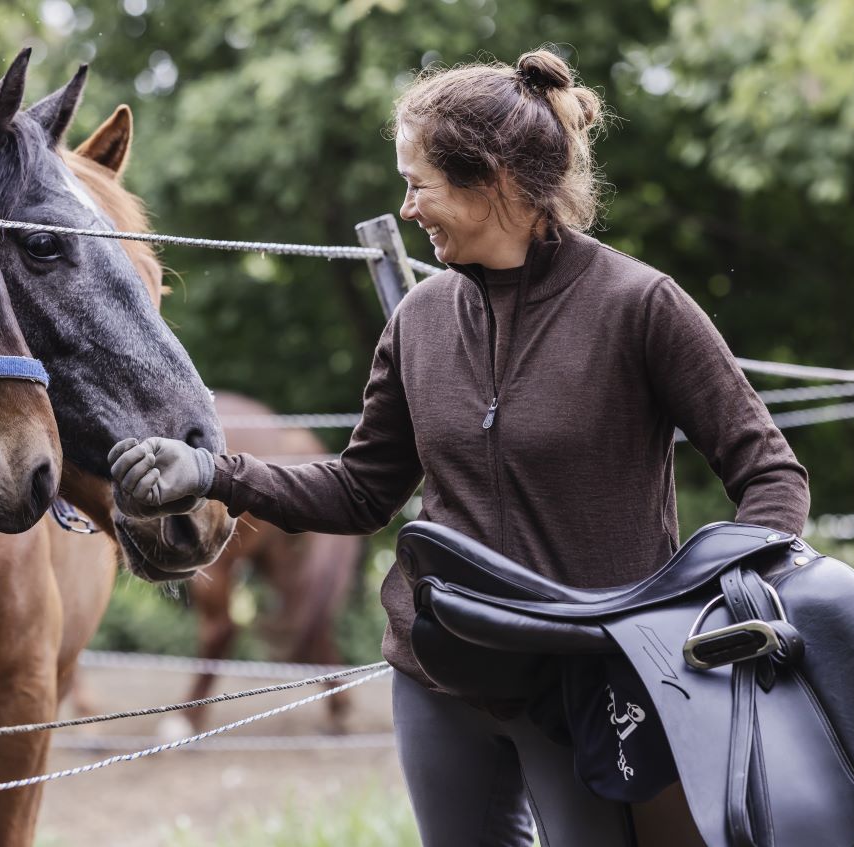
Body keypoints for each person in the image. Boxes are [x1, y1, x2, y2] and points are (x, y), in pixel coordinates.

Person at [109, 48, 809, 847]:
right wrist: (214, 473)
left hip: (588, 677)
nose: (407, 209)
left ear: (495, 179)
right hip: (437, 670)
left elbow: (772, 475)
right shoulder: (419, 319)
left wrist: (707, 610)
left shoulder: (641, 306)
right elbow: (361, 490)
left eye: (419, 183)